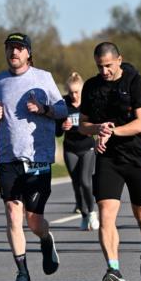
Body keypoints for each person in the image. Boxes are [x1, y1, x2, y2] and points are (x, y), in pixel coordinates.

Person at [0, 32, 67, 281]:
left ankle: (45, 238)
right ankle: (22, 273)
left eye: (19, 48)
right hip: (8, 156)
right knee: (13, 213)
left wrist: (43, 110)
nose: (14, 53)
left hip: (38, 156)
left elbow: (63, 110)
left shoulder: (43, 78)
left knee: (33, 220)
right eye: (10, 48)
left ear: (28, 53)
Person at [79, 42, 141, 281]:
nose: (104, 72)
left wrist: (112, 131)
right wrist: (96, 129)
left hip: (137, 157)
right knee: (106, 214)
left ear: (119, 60)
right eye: (99, 67)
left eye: (108, 66)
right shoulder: (91, 86)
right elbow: (83, 124)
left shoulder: (137, 83)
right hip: (108, 159)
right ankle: (113, 269)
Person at [56, 73, 98, 231]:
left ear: (82, 90)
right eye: (71, 92)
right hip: (70, 147)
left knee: (85, 181)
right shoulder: (63, 104)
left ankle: (92, 212)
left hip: (87, 146)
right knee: (76, 183)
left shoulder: (88, 102)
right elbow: (57, 132)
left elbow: (95, 124)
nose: (74, 95)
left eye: (77, 92)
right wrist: (62, 126)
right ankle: (84, 215)